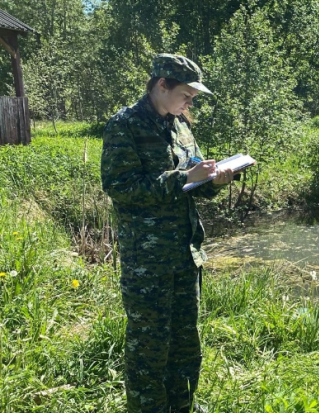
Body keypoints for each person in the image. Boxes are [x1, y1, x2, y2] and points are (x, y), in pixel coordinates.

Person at [101, 53, 234, 413]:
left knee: (185, 345)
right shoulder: (125, 124)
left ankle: (182, 407)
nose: (190, 103)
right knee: (149, 350)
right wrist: (183, 179)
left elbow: (194, 180)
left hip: (185, 255)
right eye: (187, 95)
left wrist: (214, 179)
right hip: (148, 262)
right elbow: (119, 186)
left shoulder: (181, 126)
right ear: (162, 85)